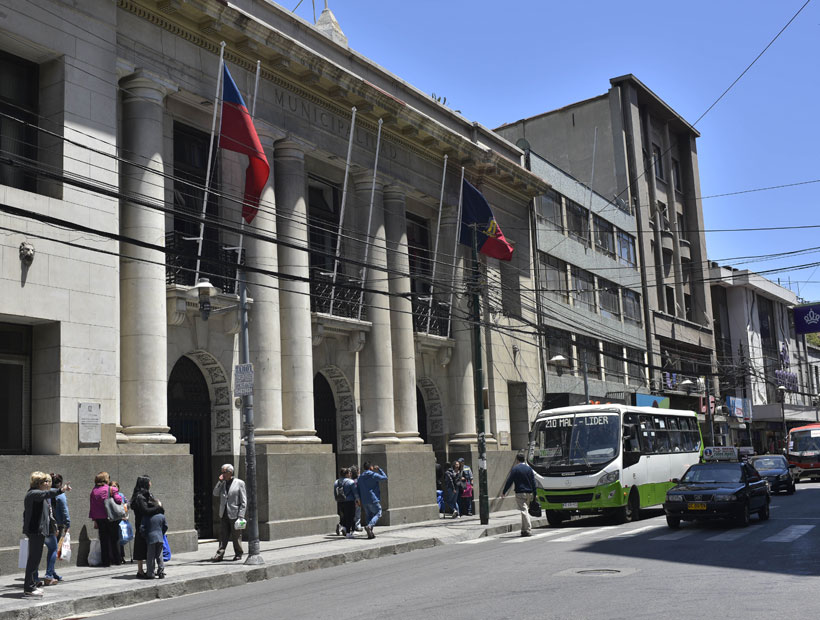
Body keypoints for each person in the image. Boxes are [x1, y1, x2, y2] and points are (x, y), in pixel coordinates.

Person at [23, 472, 71, 597]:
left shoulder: (39, 495)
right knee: (33, 560)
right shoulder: (34, 493)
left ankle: (31, 585)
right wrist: (62, 490)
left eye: (48, 481)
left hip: (39, 531)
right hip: (35, 531)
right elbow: (48, 493)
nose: (47, 483)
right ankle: (29, 587)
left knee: (35, 559)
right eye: (45, 482)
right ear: (38, 483)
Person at [130, 475, 164, 579]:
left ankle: (151, 570)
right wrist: (158, 508)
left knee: (150, 549)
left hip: (150, 525)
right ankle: (140, 571)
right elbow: (145, 510)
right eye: (149, 482)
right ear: (145, 483)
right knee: (141, 547)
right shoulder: (139, 497)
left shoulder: (147, 494)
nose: (150, 483)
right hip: (142, 525)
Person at [212, 463, 246, 561]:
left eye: (225, 472)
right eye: (222, 472)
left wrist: (241, 515)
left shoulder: (239, 483)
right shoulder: (222, 483)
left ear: (230, 472)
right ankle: (220, 554)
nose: (223, 474)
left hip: (235, 513)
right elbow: (215, 493)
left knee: (236, 536)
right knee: (223, 535)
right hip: (224, 513)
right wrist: (219, 482)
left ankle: (238, 553)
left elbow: (244, 501)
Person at [88, 472, 124, 567]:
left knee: (103, 540)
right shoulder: (111, 489)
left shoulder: (93, 491)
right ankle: (117, 560)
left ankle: (106, 561)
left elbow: (92, 506)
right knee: (114, 539)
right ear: (106, 479)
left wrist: (94, 519)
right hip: (110, 517)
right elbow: (119, 500)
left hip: (99, 519)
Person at [501, 452, 537, 537]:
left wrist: (504, 491)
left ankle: (528, 529)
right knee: (524, 511)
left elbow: (509, 481)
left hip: (520, 492)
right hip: (529, 493)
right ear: (524, 459)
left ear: (517, 460)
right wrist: (535, 494)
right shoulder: (529, 469)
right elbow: (533, 482)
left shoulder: (515, 469)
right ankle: (523, 530)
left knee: (524, 511)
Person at [43, 473, 70, 585]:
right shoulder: (60, 494)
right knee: (53, 549)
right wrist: (67, 523)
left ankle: (52, 572)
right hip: (56, 525)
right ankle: (49, 574)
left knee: (51, 549)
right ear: (60, 483)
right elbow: (64, 510)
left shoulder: (46, 493)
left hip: (45, 524)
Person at [356, 462, 387, 539]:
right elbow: (385, 477)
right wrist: (379, 469)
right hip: (373, 498)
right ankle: (369, 527)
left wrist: (359, 500)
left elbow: (358, 489)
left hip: (364, 499)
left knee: (368, 515)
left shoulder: (360, 477)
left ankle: (370, 532)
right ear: (371, 467)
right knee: (378, 512)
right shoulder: (373, 475)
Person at [141, 509, 168, 579]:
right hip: (160, 538)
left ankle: (150, 573)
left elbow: (142, 528)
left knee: (150, 556)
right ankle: (161, 572)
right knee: (159, 555)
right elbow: (166, 526)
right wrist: (161, 533)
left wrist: (145, 536)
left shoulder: (146, 517)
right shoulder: (161, 516)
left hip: (150, 538)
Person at [333, 468, 358, 538]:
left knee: (344, 515)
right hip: (350, 501)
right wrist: (358, 500)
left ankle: (343, 528)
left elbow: (335, 493)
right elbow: (355, 493)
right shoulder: (350, 482)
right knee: (350, 516)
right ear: (346, 474)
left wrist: (337, 499)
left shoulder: (336, 482)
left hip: (340, 501)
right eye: (349, 473)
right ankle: (348, 533)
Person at [349, 465, 363, 532]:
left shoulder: (349, 480)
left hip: (349, 499)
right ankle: (357, 526)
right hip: (357, 499)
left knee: (351, 513)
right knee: (357, 512)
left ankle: (350, 526)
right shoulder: (358, 480)